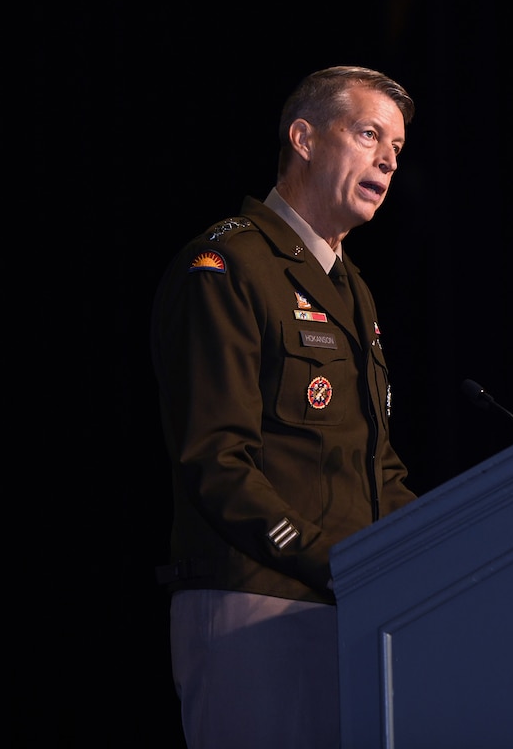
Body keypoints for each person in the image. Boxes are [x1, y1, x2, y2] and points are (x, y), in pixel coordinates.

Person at [150, 65, 419, 748]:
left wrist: (439, 548)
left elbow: (374, 466)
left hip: (352, 610)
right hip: (257, 600)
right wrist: (332, 561)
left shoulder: (352, 289)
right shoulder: (229, 264)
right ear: (303, 138)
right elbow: (215, 460)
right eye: (368, 134)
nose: (387, 158)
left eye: (396, 147)